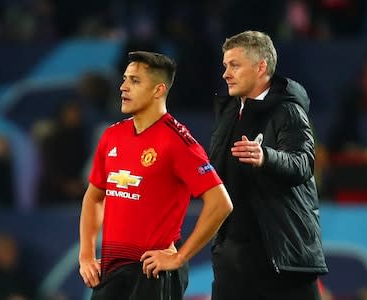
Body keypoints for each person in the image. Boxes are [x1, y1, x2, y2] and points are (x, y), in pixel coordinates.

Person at [78, 51, 233, 300]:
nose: (123, 87)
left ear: (158, 90)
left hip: (153, 272)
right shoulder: (111, 136)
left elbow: (221, 204)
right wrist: (86, 254)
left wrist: (180, 257)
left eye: (135, 81)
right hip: (111, 270)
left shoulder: (178, 142)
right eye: (125, 79)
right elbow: (94, 197)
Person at [209, 30, 328, 300]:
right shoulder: (228, 111)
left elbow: (303, 163)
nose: (226, 73)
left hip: (282, 259)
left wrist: (266, 156)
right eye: (225, 65)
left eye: (234, 65)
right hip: (233, 258)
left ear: (261, 66)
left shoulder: (289, 110)